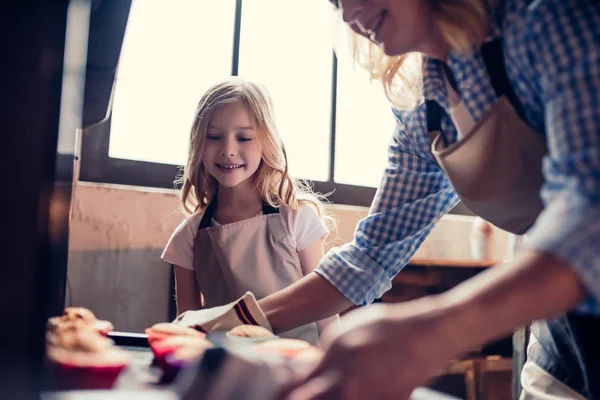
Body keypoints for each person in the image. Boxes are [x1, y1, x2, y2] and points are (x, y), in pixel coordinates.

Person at [255, 0, 600, 399]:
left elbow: (589, 212)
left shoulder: (549, 19)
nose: (348, 12)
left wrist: (435, 330)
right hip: (563, 344)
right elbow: (370, 257)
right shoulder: (421, 112)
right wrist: (227, 322)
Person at [161, 77, 338, 346]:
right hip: (226, 372)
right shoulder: (188, 236)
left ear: (267, 142)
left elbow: (326, 310)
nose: (228, 150)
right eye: (213, 137)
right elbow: (188, 329)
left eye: (243, 137)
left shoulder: (296, 218)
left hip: (300, 367)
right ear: (198, 143)